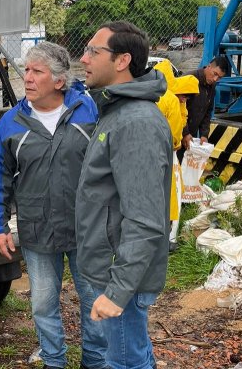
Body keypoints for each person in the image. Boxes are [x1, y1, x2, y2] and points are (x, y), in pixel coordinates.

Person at [0, 41, 107, 369]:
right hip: (38, 229)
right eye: (26, 70)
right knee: (42, 303)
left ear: (58, 81)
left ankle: (94, 362)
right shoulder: (11, 123)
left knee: (94, 299)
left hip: (86, 227)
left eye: (37, 71)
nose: (27, 78)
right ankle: (55, 361)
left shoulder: (87, 111)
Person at [76, 21, 172, 369]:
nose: (83, 58)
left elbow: (145, 220)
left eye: (92, 51)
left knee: (126, 362)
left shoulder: (135, 123)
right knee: (131, 353)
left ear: (122, 61)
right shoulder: (116, 112)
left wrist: (117, 291)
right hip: (112, 269)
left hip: (121, 278)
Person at [154, 60, 200, 251]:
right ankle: (169, 239)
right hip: (167, 153)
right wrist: (176, 143)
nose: (185, 100)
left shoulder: (146, 95)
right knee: (173, 194)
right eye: (185, 97)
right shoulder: (171, 100)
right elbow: (174, 134)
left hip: (147, 153)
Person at [179, 55, 229, 160]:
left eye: (219, 77)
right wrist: (185, 133)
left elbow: (207, 111)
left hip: (189, 138)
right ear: (209, 66)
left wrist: (204, 134)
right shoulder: (189, 79)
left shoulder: (212, 86)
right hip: (175, 134)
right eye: (215, 74)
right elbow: (177, 109)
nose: (215, 79)